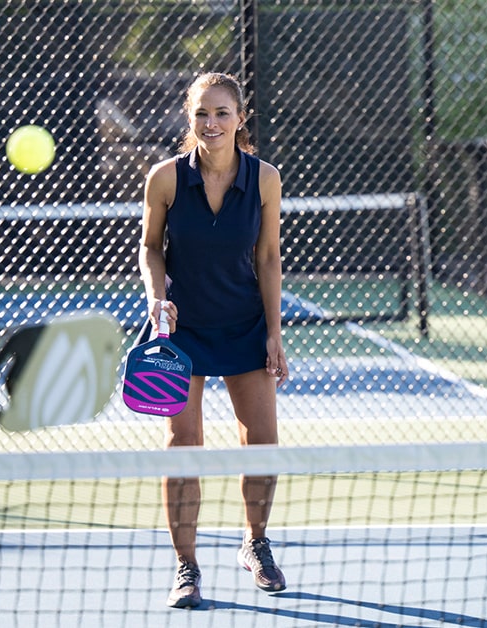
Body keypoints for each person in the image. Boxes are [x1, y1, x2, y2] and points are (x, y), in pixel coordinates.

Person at [139, 72, 290, 609]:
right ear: (189, 116)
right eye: (203, 112)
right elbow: (151, 248)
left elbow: (268, 258)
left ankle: (255, 543)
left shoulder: (265, 178)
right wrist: (158, 296)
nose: (212, 123)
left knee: (263, 443)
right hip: (182, 332)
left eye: (222, 112)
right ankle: (186, 566)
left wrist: (274, 332)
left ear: (240, 118)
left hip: (246, 326)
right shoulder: (165, 178)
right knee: (183, 447)